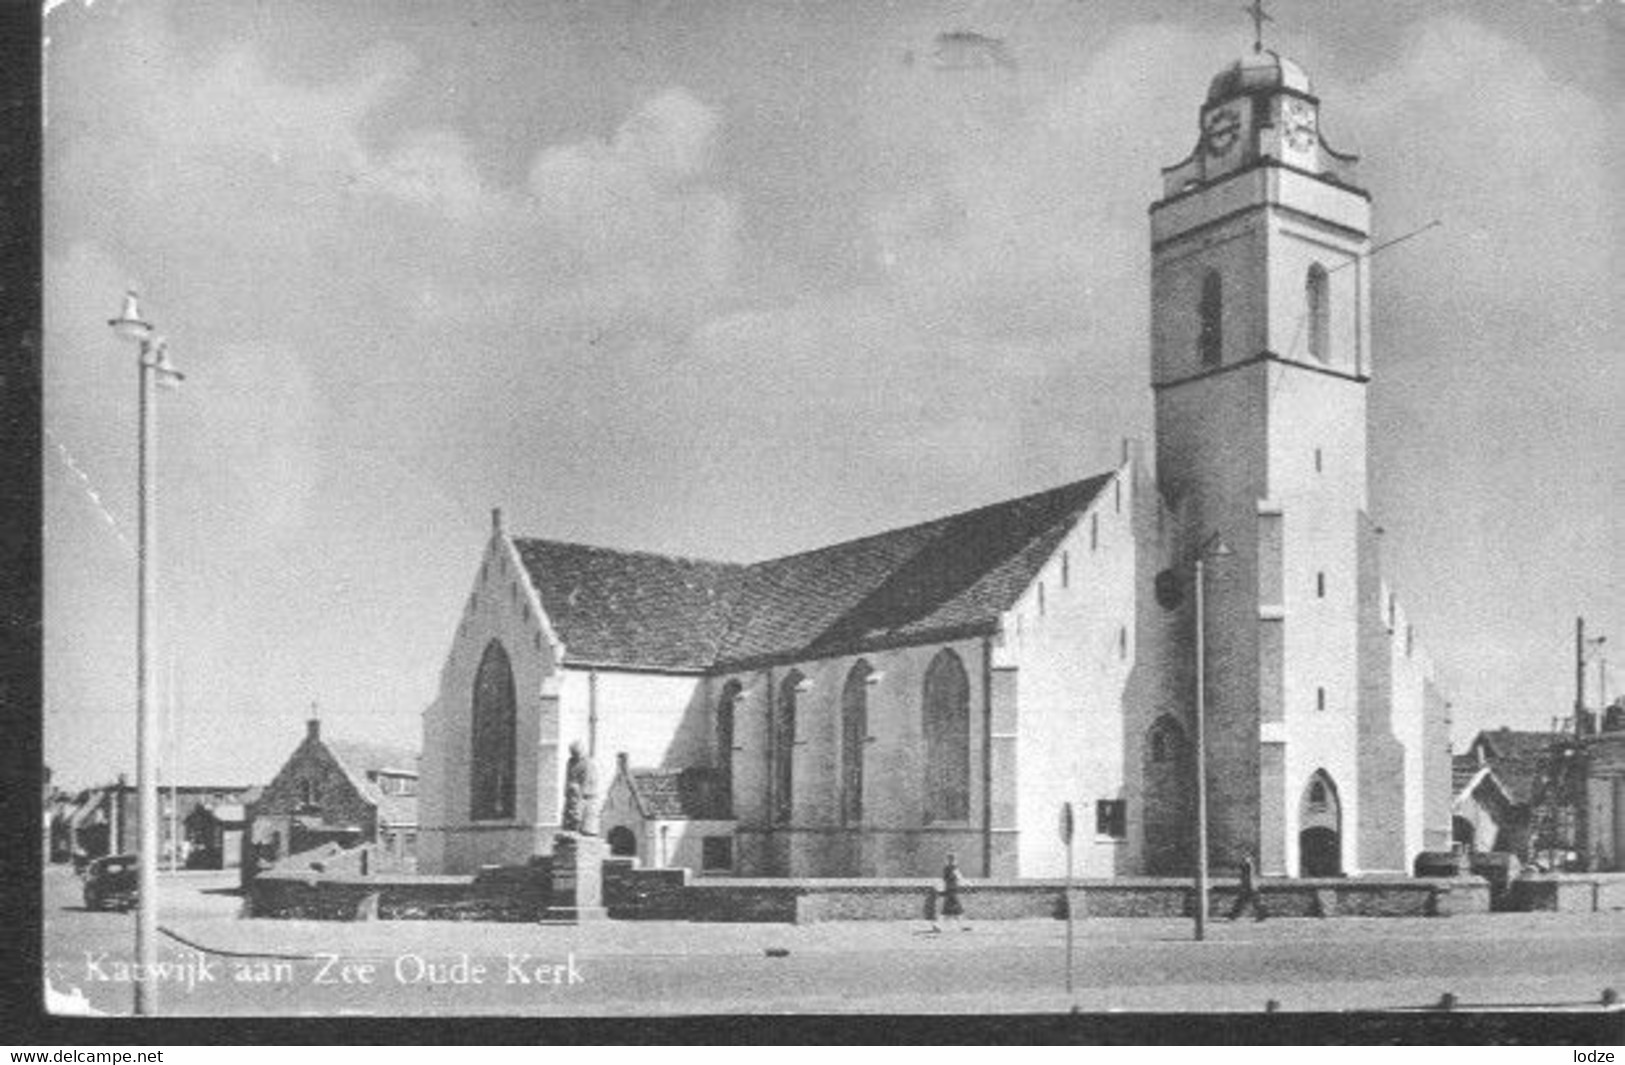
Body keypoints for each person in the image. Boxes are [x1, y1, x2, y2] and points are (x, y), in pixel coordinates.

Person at [932, 852, 968, 933]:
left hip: (948, 891)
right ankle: (939, 925)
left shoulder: (946, 869)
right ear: (953, 860)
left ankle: (939, 925)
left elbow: (945, 879)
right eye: (955, 859)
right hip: (953, 891)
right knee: (956, 909)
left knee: (950, 910)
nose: (956, 861)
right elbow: (960, 878)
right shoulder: (953, 868)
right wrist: (967, 883)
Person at [1228, 852, 1266, 922]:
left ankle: (1233, 915)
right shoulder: (1248, 865)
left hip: (1249, 886)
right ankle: (1233, 915)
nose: (1244, 859)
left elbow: (1247, 876)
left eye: (1245, 858)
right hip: (1250, 886)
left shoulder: (1248, 865)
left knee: (1245, 901)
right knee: (1244, 902)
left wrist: (1246, 885)